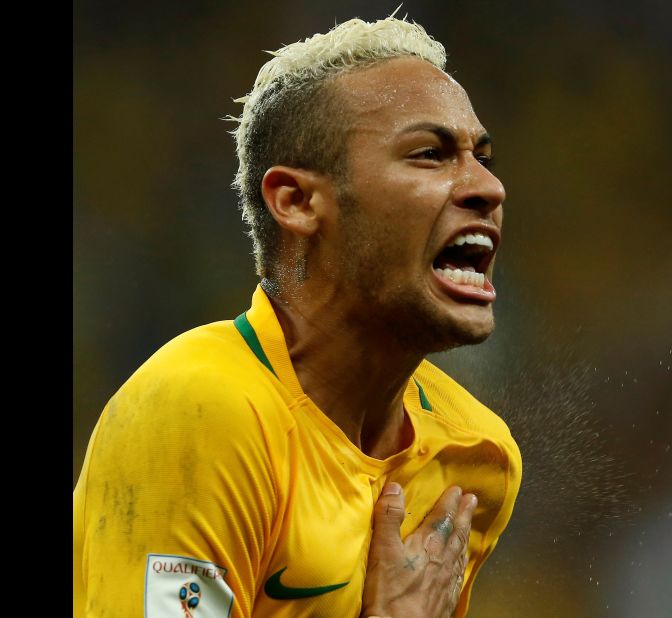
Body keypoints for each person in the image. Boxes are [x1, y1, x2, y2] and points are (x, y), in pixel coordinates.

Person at [72, 16, 521, 618]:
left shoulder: (476, 458)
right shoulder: (201, 412)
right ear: (297, 201)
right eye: (429, 154)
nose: (487, 187)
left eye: (481, 157)